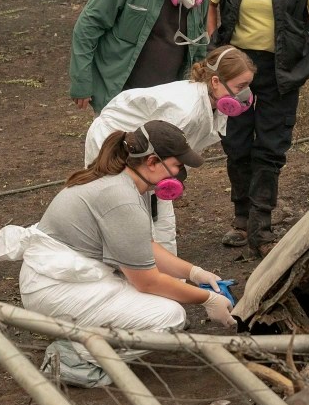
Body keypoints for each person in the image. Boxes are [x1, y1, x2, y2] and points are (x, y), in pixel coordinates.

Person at [0, 120, 234, 387]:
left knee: (158, 297)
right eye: (177, 166)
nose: (180, 174)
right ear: (152, 161)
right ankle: (73, 357)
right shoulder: (121, 198)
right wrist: (206, 300)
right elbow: (147, 281)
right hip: (55, 288)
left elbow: (144, 246)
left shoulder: (126, 182)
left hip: (63, 278)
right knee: (168, 317)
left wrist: (194, 273)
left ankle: (82, 333)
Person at [207, 0, 309, 253]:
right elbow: (212, 6)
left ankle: (262, 226)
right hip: (237, 68)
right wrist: (217, 50)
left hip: (281, 69)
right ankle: (242, 219)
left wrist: (306, 50)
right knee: (236, 142)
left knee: (271, 146)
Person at [84, 45, 257, 255]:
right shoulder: (185, 111)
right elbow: (157, 153)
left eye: (248, 86)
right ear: (215, 81)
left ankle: (168, 278)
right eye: (240, 87)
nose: (245, 94)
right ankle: (129, 274)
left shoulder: (213, 101)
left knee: (162, 219)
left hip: (150, 151)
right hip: (115, 139)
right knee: (125, 213)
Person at [69, 0, 219, 114]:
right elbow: (88, 27)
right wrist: (81, 81)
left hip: (170, 100)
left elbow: (198, 51)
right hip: (120, 96)